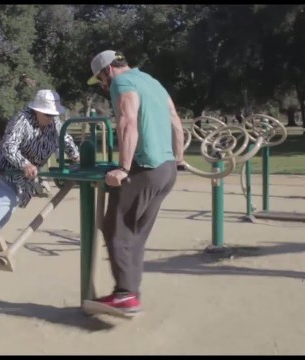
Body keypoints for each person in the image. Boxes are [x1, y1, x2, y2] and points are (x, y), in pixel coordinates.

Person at [86, 50, 185, 316]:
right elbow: (176, 121)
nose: (104, 87)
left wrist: (123, 168)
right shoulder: (152, 81)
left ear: (107, 71)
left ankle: (125, 294)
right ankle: (130, 293)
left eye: (101, 81)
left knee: (115, 226)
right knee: (135, 234)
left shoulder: (122, 83)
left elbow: (128, 121)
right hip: (166, 169)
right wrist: (179, 159)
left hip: (145, 167)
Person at [0, 89, 80, 234]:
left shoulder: (54, 123)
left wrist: (77, 157)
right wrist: (25, 164)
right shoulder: (22, 120)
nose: (51, 118)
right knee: (5, 198)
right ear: (37, 111)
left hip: (23, 177)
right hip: (6, 168)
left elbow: (65, 139)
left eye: (54, 114)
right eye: (47, 114)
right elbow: (9, 146)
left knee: (8, 206)